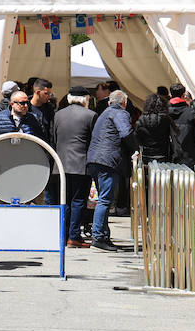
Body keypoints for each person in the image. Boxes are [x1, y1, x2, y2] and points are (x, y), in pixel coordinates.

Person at [87, 90, 135, 252]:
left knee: (103, 199)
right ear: (124, 103)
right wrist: (136, 148)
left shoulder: (105, 113)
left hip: (95, 158)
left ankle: (103, 234)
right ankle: (99, 236)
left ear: (109, 102)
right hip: (108, 161)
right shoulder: (120, 113)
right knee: (105, 200)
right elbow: (126, 133)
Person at [53, 89, 97, 248]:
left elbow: (54, 138)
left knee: (64, 200)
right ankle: (74, 236)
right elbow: (93, 141)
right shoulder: (90, 115)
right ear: (85, 99)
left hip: (60, 164)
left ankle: (62, 235)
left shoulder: (58, 114)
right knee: (78, 201)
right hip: (80, 163)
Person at [133, 93, 174, 163]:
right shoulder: (166, 119)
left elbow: (137, 137)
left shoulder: (142, 119)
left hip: (146, 156)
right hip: (163, 155)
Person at [168, 84, 195, 167]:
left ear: (170, 95)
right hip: (188, 157)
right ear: (183, 95)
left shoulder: (163, 112)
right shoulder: (191, 113)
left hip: (168, 158)